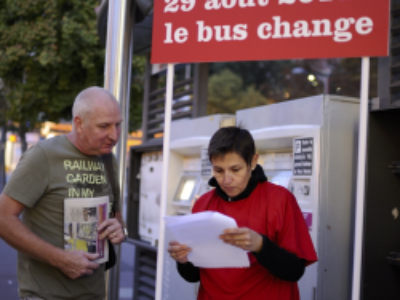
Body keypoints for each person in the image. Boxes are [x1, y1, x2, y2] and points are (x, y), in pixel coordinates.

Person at [0, 86, 127, 300]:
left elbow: (117, 220)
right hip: (44, 295)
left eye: (118, 125)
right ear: (79, 123)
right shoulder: (43, 156)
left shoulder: (108, 160)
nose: (114, 136)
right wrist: (60, 259)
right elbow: (3, 218)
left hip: (93, 294)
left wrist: (120, 230)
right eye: (104, 126)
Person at [168, 126, 317, 299]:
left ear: (253, 162)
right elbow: (193, 276)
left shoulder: (280, 200)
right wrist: (184, 260)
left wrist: (261, 246)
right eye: (218, 170)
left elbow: (295, 271)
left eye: (235, 169)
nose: (226, 180)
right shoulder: (203, 203)